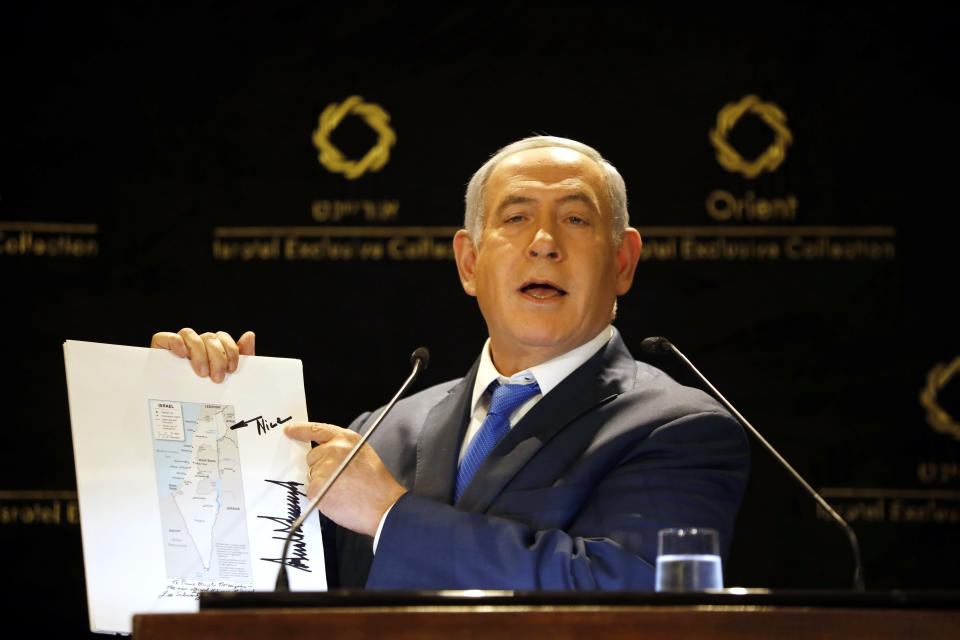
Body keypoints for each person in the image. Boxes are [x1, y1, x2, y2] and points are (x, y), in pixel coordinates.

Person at [151, 136, 750, 589]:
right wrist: (209, 423)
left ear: (623, 261)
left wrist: (391, 515)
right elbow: (270, 590)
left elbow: (622, 591)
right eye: (516, 219)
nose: (544, 241)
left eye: (575, 218)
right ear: (468, 263)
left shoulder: (681, 430)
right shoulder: (383, 428)